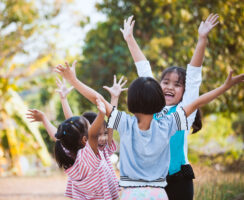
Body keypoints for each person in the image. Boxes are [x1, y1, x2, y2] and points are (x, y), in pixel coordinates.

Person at [54, 60, 244, 200]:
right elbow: (197, 102)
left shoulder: (125, 123)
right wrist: (225, 86)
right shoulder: (168, 124)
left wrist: (73, 80)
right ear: (159, 102)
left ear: (131, 102)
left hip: (130, 194)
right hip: (158, 194)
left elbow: (97, 98)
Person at [120, 14, 219, 199]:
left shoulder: (183, 114)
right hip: (152, 180)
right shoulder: (151, 110)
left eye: (177, 84)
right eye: (165, 82)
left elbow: (194, 76)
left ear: (184, 91)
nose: (170, 87)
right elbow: (143, 69)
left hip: (179, 179)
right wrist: (130, 39)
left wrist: (202, 39)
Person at [27, 76, 127, 200]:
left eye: (105, 133)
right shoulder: (89, 155)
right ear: (86, 139)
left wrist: (45, 118)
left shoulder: (72, 154)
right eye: (96, 132)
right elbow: (92, 132)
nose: (102, 137)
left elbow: (61, 133)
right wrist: (102, 113)